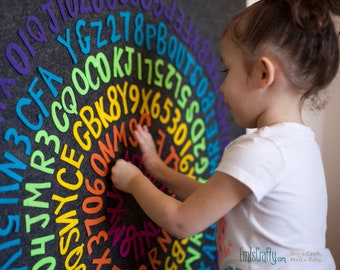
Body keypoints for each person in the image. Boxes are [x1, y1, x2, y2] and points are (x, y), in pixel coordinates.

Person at [111, 0, 340, 268]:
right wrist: (157, 168)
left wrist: (135, 181)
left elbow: (182, 221)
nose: (220, 87)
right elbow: (213, 198)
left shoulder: (262, 149)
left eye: (227, 70)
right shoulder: (299, 146)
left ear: (262, 73)